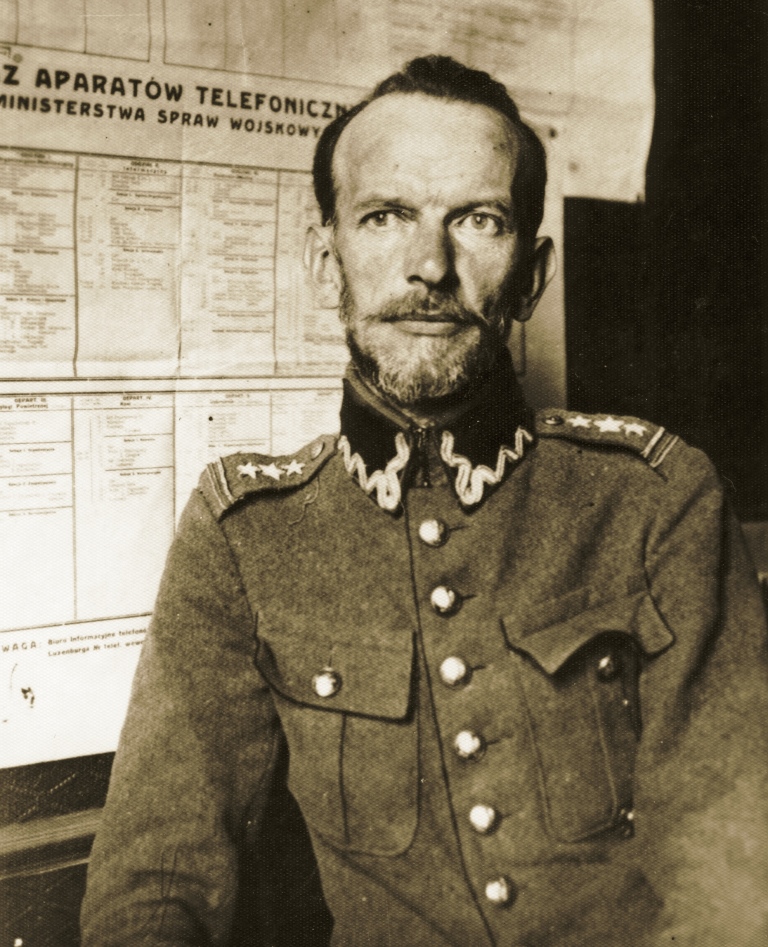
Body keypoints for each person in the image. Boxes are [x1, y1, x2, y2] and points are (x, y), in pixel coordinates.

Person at [81, 55, 768, 946]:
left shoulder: (656, 501)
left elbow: (732, 884)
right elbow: (153, 882)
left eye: (479, 220)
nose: (430, 267)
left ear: (531, 274)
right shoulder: (245, 534)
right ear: (326, 264)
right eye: (385, 217)